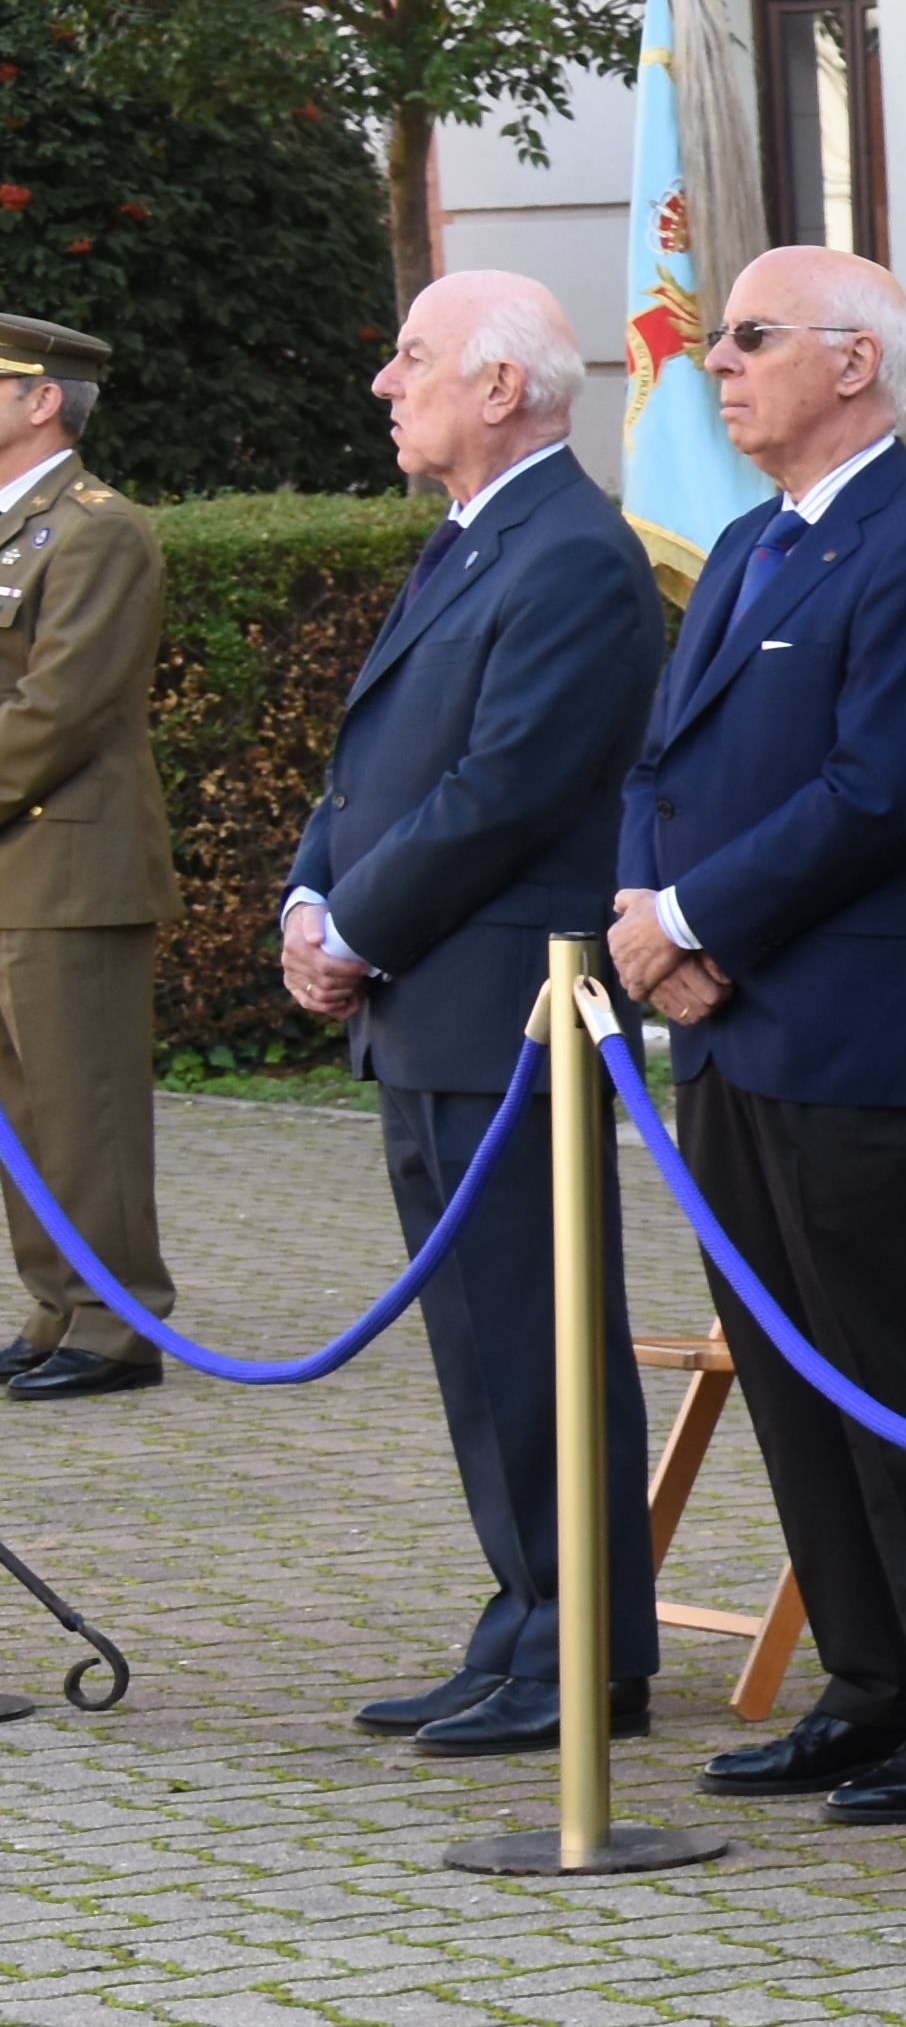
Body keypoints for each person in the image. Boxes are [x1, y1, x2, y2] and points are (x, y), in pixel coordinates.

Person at [617, 244, 906, 1824]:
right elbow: (656, 764)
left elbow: (883, 795)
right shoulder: (747, 546)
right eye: (717, 340)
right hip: (729, 1034)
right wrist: (638, 909)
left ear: (857, 365)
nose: (712, 363)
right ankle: (873, 1686)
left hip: (858, 1032)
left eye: (748, 339)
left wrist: (691, 922)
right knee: (794, 1379)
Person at [291, 274, 668, 1757]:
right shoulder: (471, 542)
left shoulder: (570, 553)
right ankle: (522, 1621)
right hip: (420, 1003)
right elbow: (369, 762)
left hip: (505, 1008)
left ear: (502, 387)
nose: (387, 385)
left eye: (414, 360)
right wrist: (308, 906)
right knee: (473, 1345)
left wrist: (359, 922)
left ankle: (587, 1650)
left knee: (539, 1335)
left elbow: (501, 789)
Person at [0, 313, 173, 1400]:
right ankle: (56, 1302)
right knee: (26, 1108)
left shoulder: (99, 530)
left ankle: (116, 1322)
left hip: (71, 864)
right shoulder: (19, 527)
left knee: (83, 1100)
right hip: (20, 864)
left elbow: (58, 706)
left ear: (41, 399)